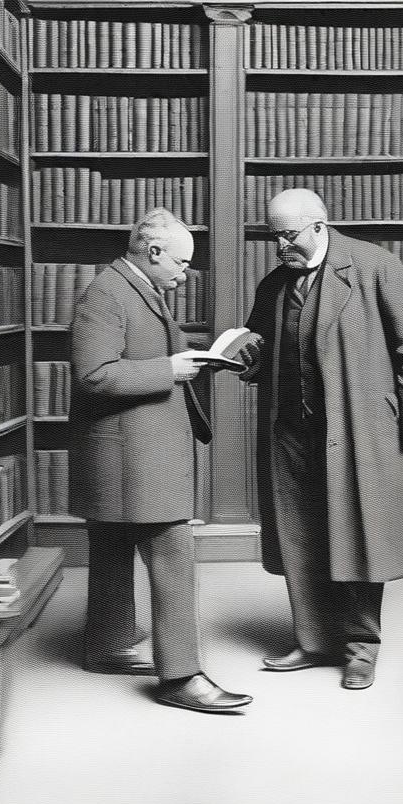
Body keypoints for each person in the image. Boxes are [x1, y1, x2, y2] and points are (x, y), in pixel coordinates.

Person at [241, 189, 403, 690]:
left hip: (357, 424)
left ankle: (360, 647)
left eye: (288, 235)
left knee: (357, 532)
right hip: (291, 428)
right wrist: (240, 353)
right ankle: (313, 641)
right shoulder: (275, 285)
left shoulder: (373, 267)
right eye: (274, 236)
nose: (281, 245)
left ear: (318, 225)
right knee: (299, 533)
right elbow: (259, 344)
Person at [69, 208, 252, 714]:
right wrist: (168, 369)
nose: (185, 273)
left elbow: (139, 352)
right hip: (133, 458)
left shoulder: (131, 288)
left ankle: (105, 647)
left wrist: (202, 356)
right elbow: (94, 375)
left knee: (110, 551)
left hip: (125, 453)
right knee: (173, 558)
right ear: (152, 253)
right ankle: (180, 676)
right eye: (181, 262)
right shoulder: (107, 294)